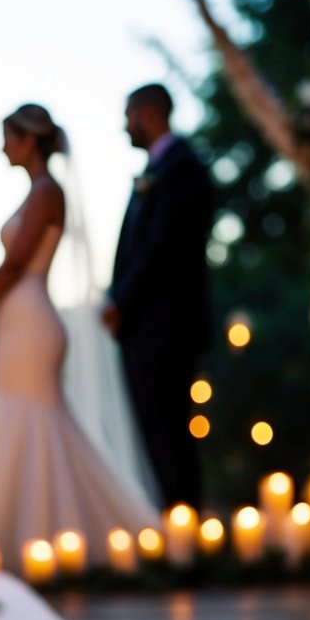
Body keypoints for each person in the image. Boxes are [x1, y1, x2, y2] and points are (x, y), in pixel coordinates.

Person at [0, 104, 160, 572]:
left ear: (28, 140)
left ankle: (58, 537)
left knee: (34, 421)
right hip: (17, 324)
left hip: (31, 322)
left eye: (7, 137)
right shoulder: (37, 192)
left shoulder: (47, 192)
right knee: (25, 421)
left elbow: (12, 269)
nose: (2, 147)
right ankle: (36, 538)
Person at [102, 83, 213, 512]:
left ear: (149, 114)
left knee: (169, 432)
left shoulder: (181, 168)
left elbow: (163, 248)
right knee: (155, 430)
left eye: (128, 114)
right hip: (147, 324)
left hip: (165, 325)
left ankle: (183, 529)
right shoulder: (161, 167)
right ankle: (172, 523)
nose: (124, 125)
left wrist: (119, 302)